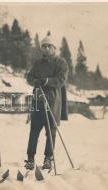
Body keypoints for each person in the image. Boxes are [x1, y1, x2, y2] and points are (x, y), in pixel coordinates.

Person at [25, 35, 68, 170]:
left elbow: (61, 80)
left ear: (54, 48)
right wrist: (34, 81)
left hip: (52, 100)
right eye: (44, 46)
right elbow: (29, 76)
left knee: (51, 131)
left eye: (50, 46)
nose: (47, 48)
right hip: (38, 100)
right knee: (34, 130)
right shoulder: (38, 63)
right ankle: (30, 158)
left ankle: (48, 158)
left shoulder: (61, 63)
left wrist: (46, 81)